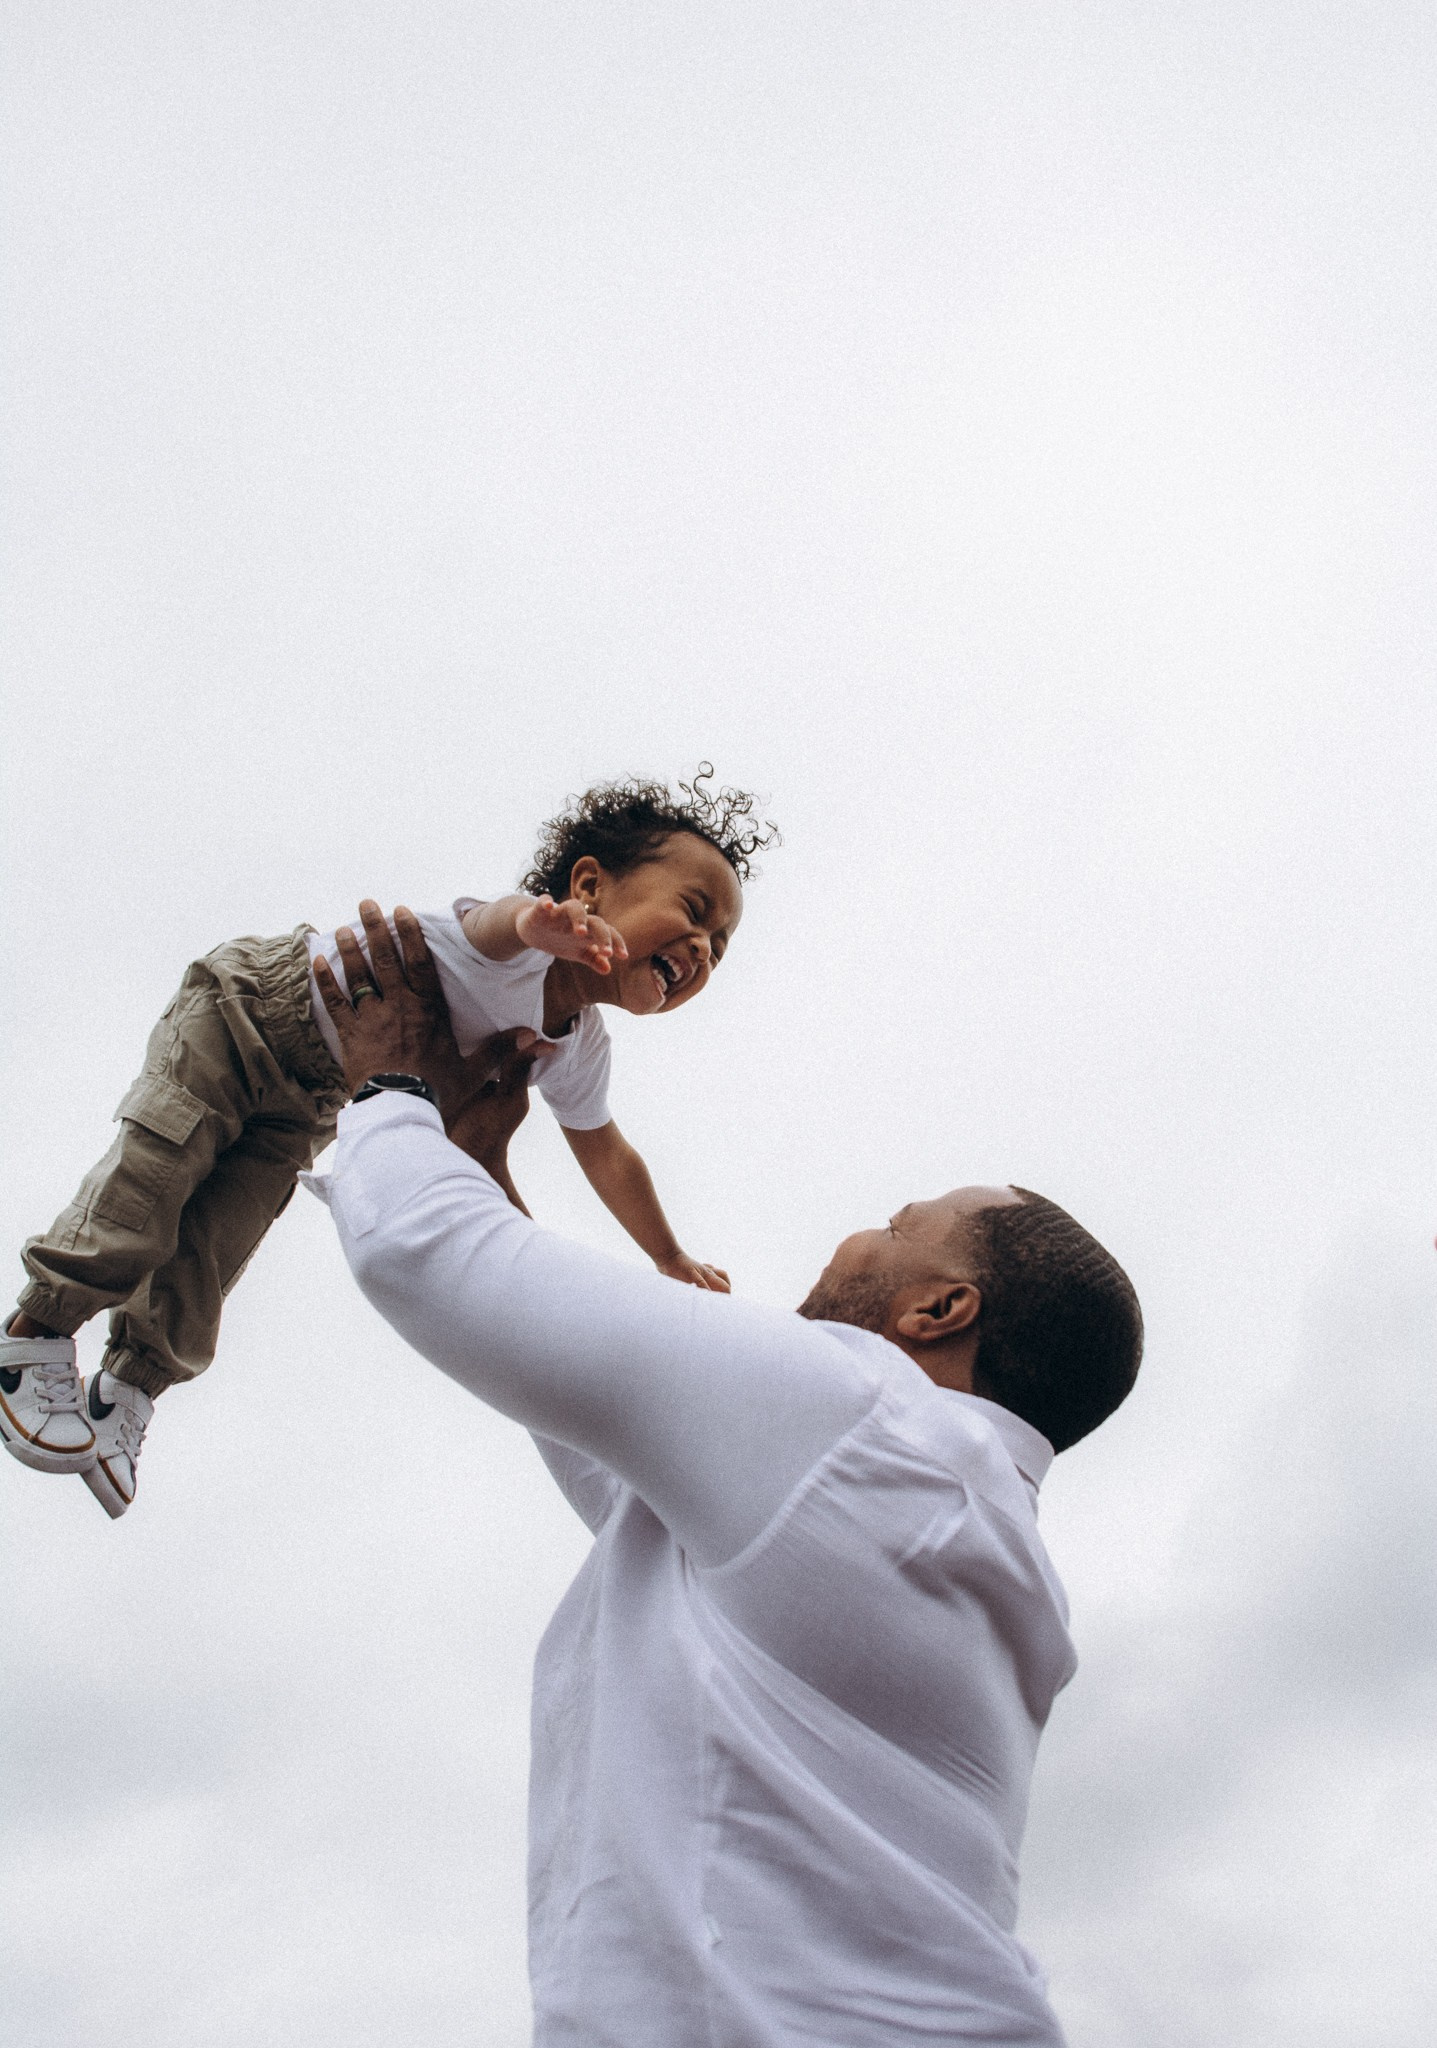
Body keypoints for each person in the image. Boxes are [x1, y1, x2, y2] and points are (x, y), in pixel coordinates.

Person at [304, 902, 1144, 2047]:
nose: (858, 1237)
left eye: (896, 1226)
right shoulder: (953, 1514)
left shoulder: (861, 1417)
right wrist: (482, 1163)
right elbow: (611, 1446)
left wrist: (391, 1084)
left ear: (939, 1308)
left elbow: (425, 1254)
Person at [0, 769, 777, 1517]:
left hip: (311, 1103)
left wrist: (667, 1255)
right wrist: (537, 924)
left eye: (719, 945)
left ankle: (129, 1390)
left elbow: (606, 1151)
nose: (702, 947)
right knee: (151, 1189)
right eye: (694, 909)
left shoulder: (577, 1046)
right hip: (246, 1015)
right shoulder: (524, 939)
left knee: (215, 1245)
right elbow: (493, 924)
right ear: (588, 885)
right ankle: (35, 1338)